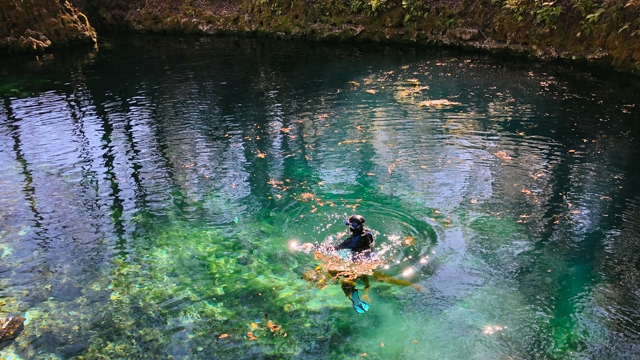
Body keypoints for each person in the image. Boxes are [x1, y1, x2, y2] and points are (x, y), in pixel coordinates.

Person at [301, 214, 375, 313]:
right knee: (361, 275)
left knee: (345, 284)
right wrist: (346, 233)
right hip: (371, 258)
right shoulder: (368, 234)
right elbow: (360, 236)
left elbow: (331, 249)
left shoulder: (350, 241)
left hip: (358, 262)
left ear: (351, 227)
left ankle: (355, 300)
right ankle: (366, 287)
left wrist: (313, 246)